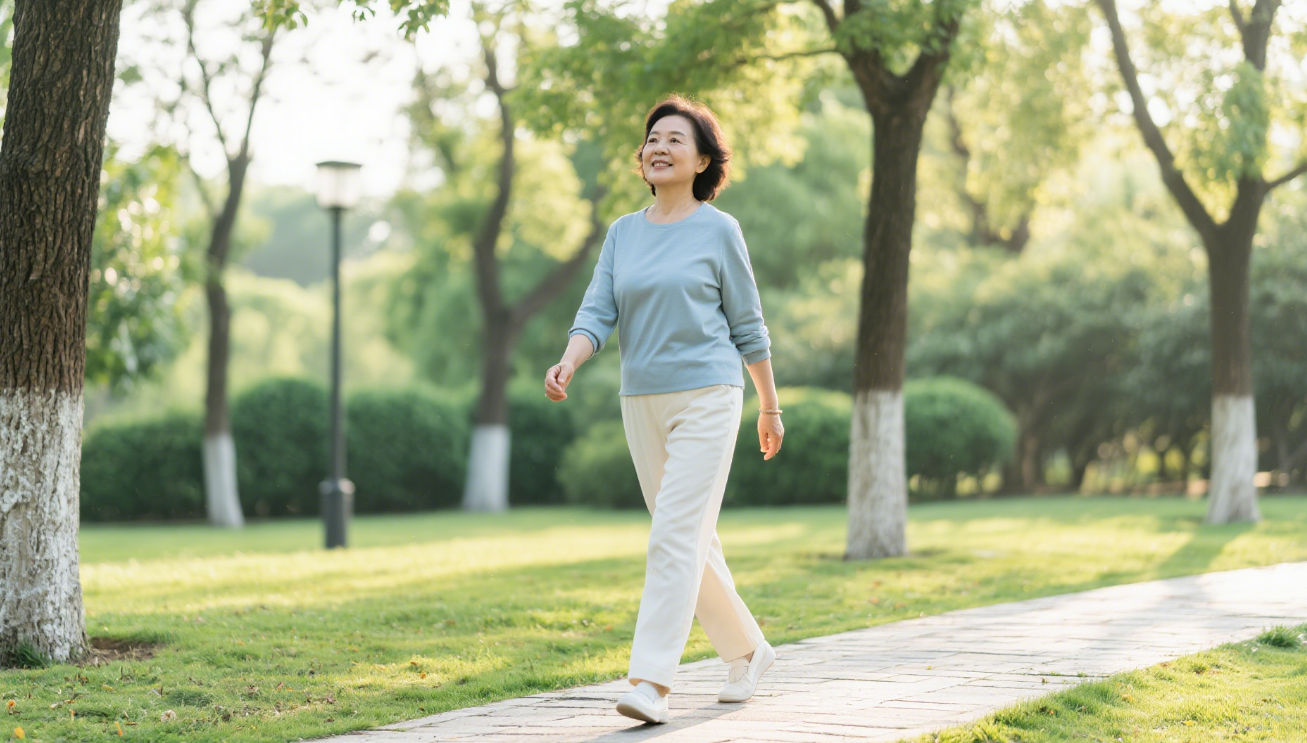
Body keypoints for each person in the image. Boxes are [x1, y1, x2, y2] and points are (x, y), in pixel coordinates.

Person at [544, 93, 783, 725]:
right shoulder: (623, 233)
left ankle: (651, 681)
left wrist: (769, 407)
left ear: (703, 158)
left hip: (709, 394)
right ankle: (749, 651)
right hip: (640, 400)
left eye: (675, 139)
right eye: (652, 138)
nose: (659, 147)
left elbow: (749, 326)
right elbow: (596, 312)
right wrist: (570, 360)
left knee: (672, 538)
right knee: (690, 542)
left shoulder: (719, 230)